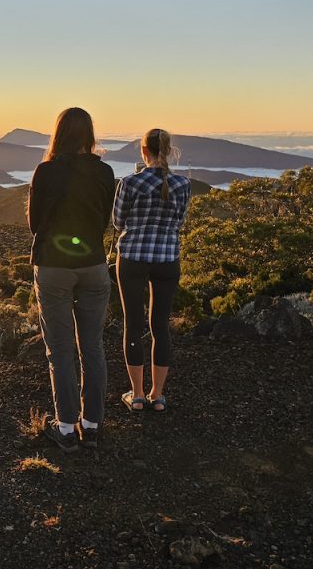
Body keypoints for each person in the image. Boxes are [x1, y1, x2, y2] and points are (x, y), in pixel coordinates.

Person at [28, 108, 116, 452]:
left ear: (59, 133)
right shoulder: (105, 172)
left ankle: (65, 428)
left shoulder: (46, 171)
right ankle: (91, 425)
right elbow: (105, 221)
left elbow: (36, 224)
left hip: (53, 266)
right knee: (92, 346)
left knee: (60, 349)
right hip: (93, 265)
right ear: (89, 135)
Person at [113, 129, 191, 413]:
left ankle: (136, 395)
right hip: (167, 258)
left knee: (133, 324)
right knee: (160, 326)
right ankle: (157, 395)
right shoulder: (183, 184)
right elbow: (179, 221)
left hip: (132, 257)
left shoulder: (129, 183)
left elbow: (118, 222)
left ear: (143, 151)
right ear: (169, 151)